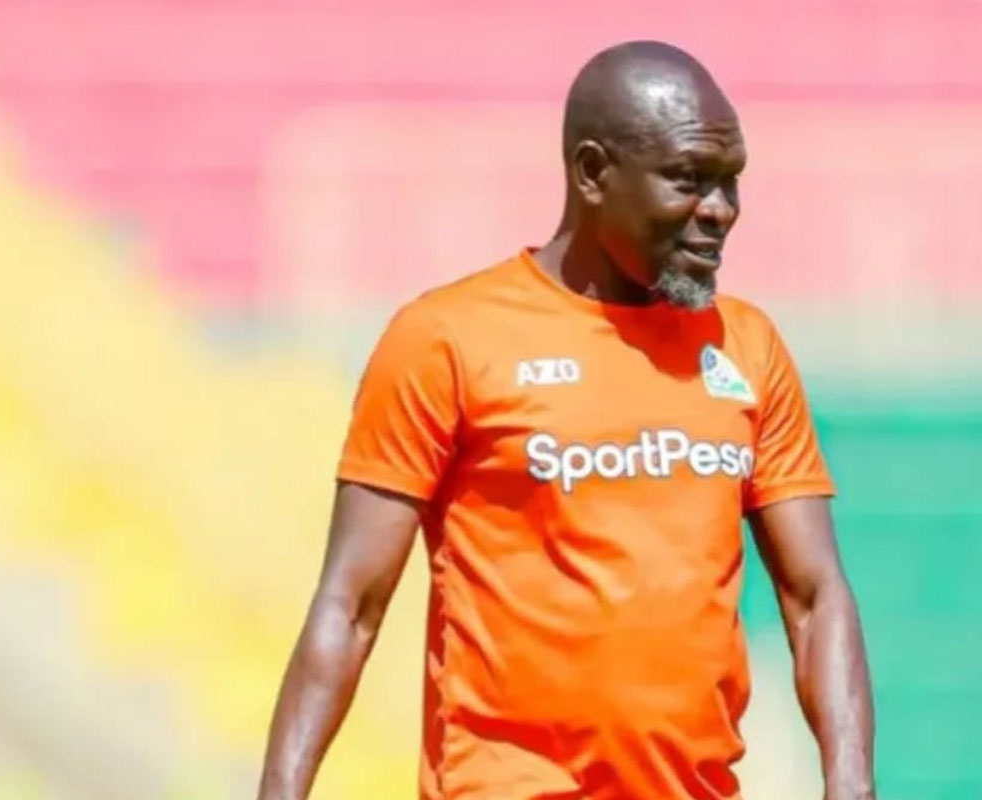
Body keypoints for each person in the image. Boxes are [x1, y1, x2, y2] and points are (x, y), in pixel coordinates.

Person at [257, 40, 875, 800]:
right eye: (688, 180)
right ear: (592, 172)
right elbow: (351, 604)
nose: (720, 210)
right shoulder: (446, 338)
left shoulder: (747, 345)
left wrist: (852, 783)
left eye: (730, 181)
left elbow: (815, 598)